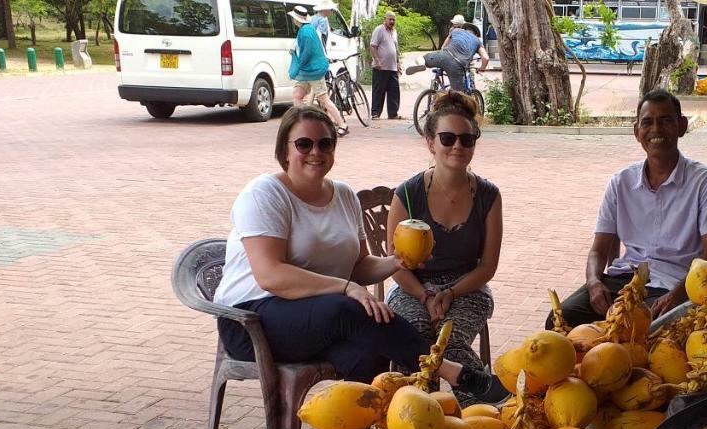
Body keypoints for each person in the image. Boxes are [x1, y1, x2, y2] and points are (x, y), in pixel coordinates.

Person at [213, 105, 506, 401]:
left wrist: (395, 262)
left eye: (325, 143)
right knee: (348, 308)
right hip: (252, 321)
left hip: (317, 320)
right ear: (285, 150)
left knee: (370, 354)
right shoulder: (265, 193)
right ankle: (454, 372)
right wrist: (346, 288)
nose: (316, 151)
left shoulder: (343, 196)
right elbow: (270, 275)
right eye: (304, 144)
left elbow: (358, 266)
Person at [551, 90, 707, 329]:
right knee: (560, 321)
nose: (656, 129)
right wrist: (594, 282)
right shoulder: (621, 183)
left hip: (676, 285)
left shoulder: (705, 182)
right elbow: (599, 250)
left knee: (642, 331)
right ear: (637, 131)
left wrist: (678, 296)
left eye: (666, 120)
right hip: (624, 280)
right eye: (647, 122)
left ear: (682, 126)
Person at [387, 91, 502, 404]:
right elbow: (396, 265)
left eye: (467, 139)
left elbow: (487, 266)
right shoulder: (408, 194)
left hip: (467, 287)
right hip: (413, 287)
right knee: (413, 337)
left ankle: (481, 417)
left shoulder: (488, 196)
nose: (458, 147)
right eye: (448, 138)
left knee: (448, 342)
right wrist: (425, 296)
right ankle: (416, 418)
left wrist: (450, 293)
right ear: (430, 142)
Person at [288, 5, 348, 135]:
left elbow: (306, 53)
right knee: (297, 96)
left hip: (313, 71)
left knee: (323, 99)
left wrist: (297, 66)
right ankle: (302, 124)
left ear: (296, 19)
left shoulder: (305, 32)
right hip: (308, 71)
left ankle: (343, 124)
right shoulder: (306, 29)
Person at [416, 14, 489, 93]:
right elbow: (485, 58)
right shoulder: (477, 41)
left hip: (444, 55)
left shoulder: (456, 31)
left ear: (464, 29)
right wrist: (482, 68)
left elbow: (444, 46)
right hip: (456, 65)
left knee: (421, 58)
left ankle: (421, 64)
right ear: (476, 34)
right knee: (458, 97)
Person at [370, 11, 402, 119]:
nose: (392, 21)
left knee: (394, 91)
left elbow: (396, 49)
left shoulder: (394, 32)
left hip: (392, 67)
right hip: (381, 67)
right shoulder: (379, 30)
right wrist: (377, 61)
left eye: (393, 19)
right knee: (379, 91)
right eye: (390, 19)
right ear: (385, 19)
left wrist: (398, 63)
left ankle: (393, 114)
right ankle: (375, 113)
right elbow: (373, 46)